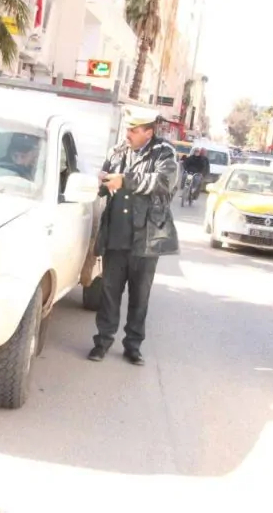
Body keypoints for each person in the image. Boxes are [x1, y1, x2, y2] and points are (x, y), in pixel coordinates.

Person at [88, 111, 180, 366]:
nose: (127, 134)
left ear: (148, 132)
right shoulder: (118, 151)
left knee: (140, 296)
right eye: (128, 128)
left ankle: (133, 346)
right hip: (116, 234)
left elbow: (164, 182)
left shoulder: (164, 153)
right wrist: (101, 181)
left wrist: (125, 180)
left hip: (147, 238)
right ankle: (102, 342)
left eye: (134, 130)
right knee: (109, 293)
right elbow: (105, 185)